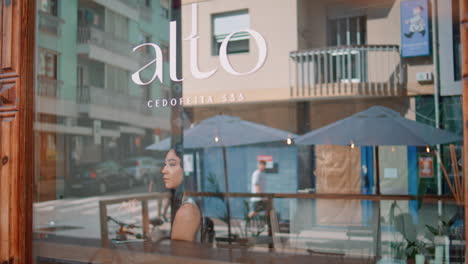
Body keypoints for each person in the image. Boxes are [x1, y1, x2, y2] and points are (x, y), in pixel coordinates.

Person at [162, 148, 201, 242]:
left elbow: (179, 254)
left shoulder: (187, 211)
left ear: (185, 170)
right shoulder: (186, 202)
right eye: (165, 165)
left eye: (172, 164)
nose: (164, 170)